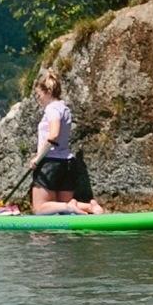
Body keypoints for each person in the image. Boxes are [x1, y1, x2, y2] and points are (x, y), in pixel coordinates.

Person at [28, 69, 102, 215]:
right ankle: (90, 207)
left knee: (39, 208)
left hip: (50, 163)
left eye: (39, 95)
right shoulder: (65, 109)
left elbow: (54, 134)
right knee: (61, 206)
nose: (39, 99)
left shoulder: (52, 109)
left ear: (48, 92)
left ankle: (70, 207)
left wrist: (37, 158)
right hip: (67, 163)